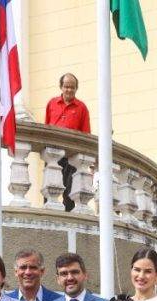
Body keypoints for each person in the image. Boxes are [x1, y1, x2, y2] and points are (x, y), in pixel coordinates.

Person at [44, 73, 91, 211]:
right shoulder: (52, 104)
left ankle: (68, 216)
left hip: (71, 155)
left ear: (76, 88)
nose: (69, 90)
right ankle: (48, 214)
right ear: (61, 87)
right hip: (52, 153)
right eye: (66, 87)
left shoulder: (82, 108)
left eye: (72, 87)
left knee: (69, 190)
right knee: (49, 186)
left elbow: (85, 134)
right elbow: (46, 126)